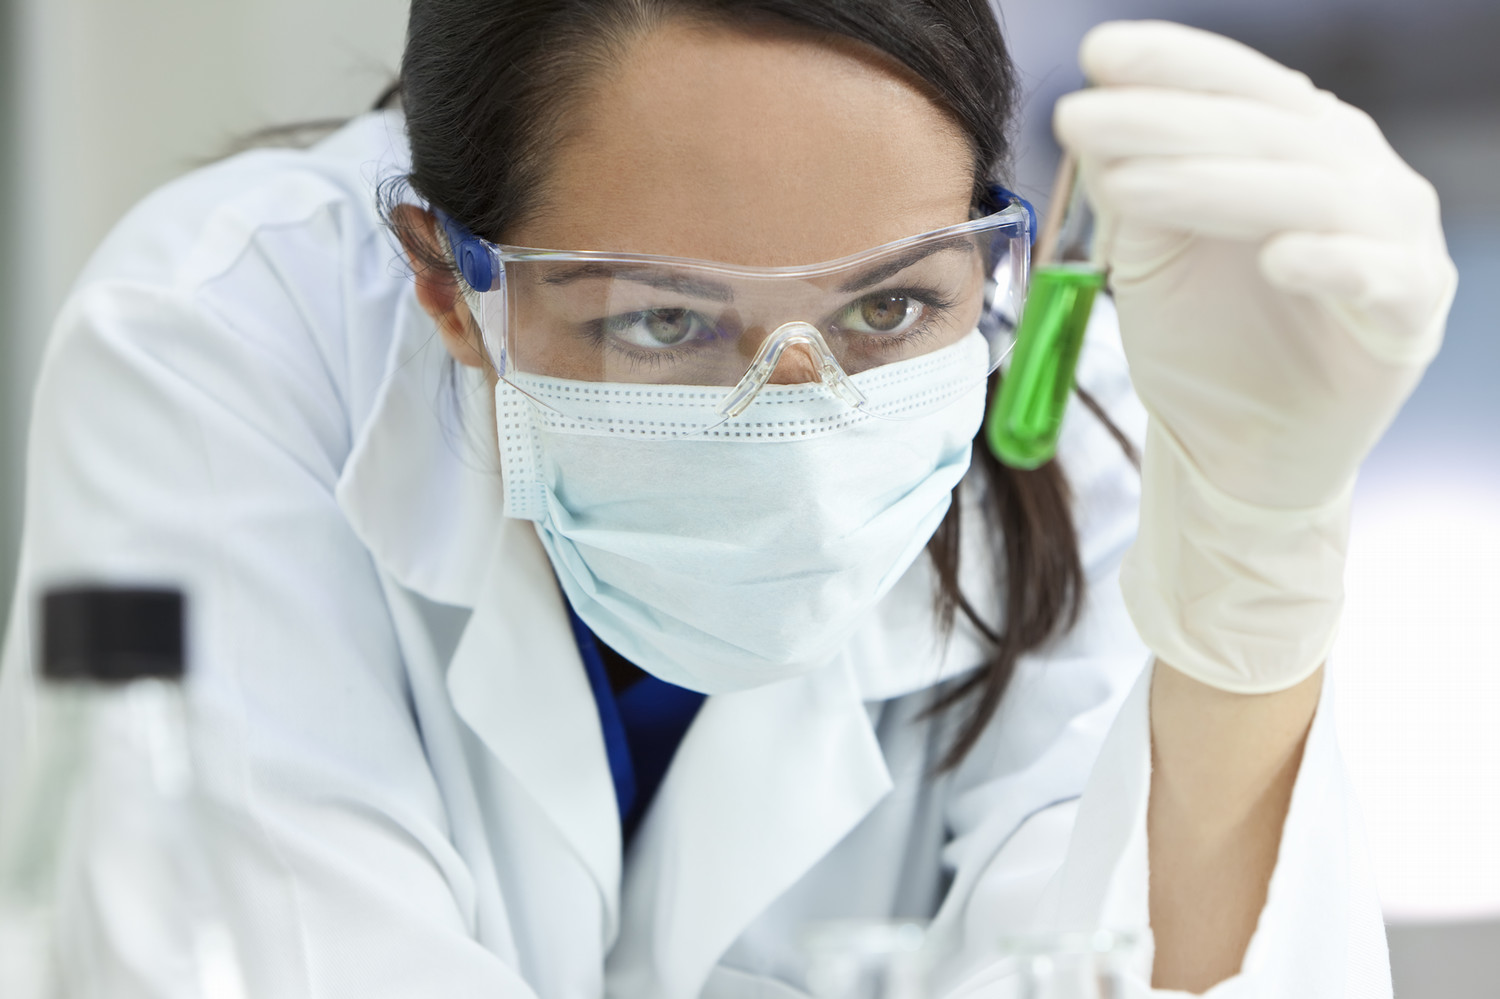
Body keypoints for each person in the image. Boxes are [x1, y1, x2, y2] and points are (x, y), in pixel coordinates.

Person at [0, 1, 1455, 996]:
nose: (801, 438)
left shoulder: (1083, 405)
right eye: (662, 321)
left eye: (889, 308)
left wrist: (1255, 573)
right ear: (447, 283)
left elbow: (1168, 974)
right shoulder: (224, 352)